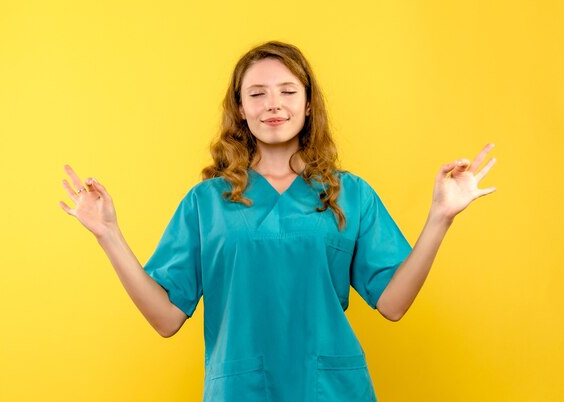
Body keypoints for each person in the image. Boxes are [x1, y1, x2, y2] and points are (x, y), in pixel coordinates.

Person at [59, 41, 496, 402]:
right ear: (240, 109)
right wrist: (108, 234)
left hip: (333, 390)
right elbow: (166, 319)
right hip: (240, 390)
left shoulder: (350, 194)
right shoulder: (205, 202)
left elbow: (393, 304)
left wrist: (440, 218)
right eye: (257, 93)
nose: (273, 105)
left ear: (308, 105)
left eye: (288, 91)